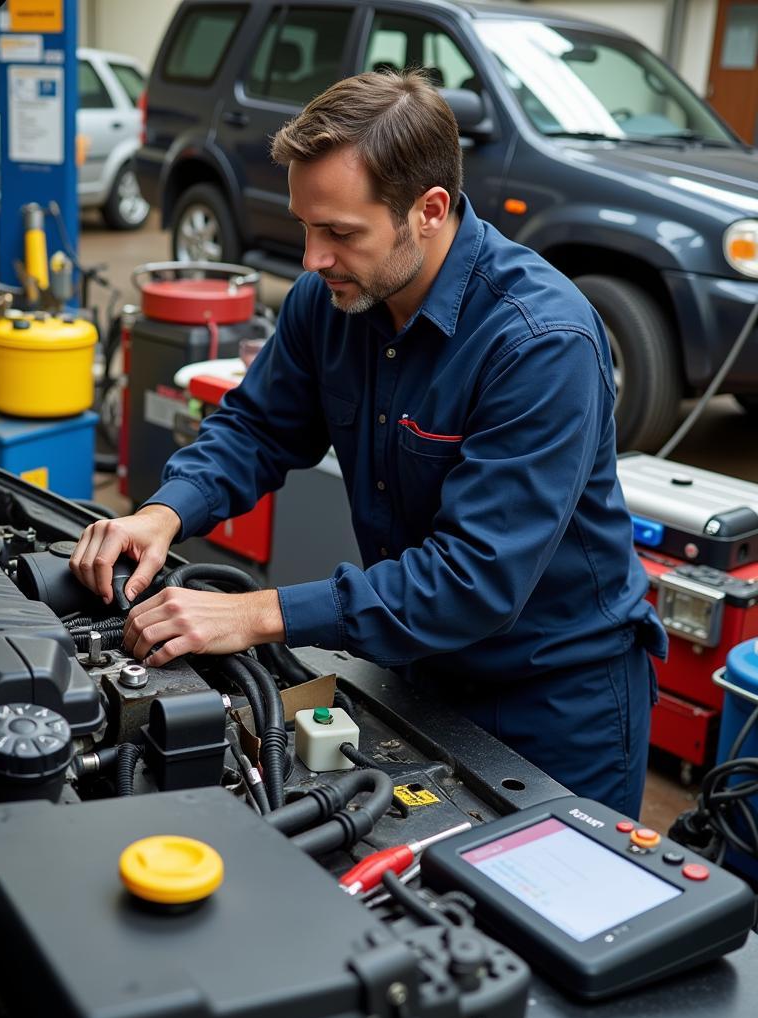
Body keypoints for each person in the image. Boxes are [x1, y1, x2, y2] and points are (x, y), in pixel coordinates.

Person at [70, 70, 666, 817]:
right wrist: (162, 514)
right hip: (417, 671)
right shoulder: (334, 300)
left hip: (554, 702)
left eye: (340, 233)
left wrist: (254, 613)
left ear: (430, 210)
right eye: (306, 226)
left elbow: (471, 580)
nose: (311, 259)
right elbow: (257, 426)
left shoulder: (540, 343)